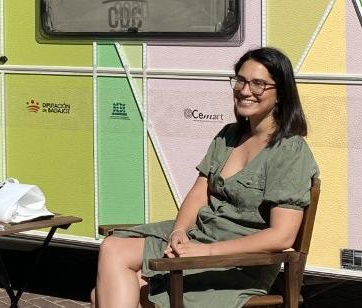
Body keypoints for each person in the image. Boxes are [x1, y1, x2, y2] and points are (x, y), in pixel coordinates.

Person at [93, 47, 319, 308]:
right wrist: (179, 231)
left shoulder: (289, 151)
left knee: (107, 295)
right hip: (200, 238)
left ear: (281, 93)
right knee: (112, 248)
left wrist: (206, 251)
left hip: (235, 264)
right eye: (241, 80)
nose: (245, 90)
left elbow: (281, 236)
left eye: (258, 84)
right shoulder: (229, 136)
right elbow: (199, 194)